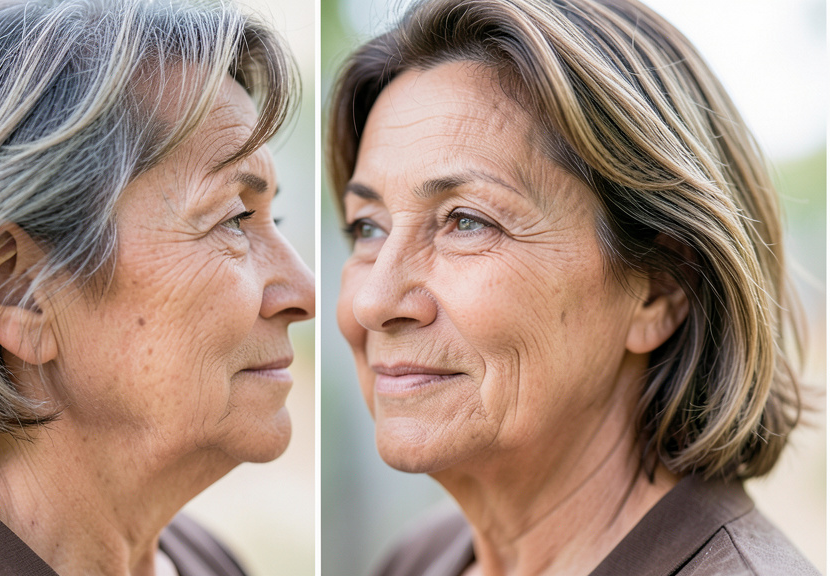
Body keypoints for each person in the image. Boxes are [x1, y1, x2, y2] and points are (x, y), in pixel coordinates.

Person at [0, 0, 314, 574]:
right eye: (232, 219)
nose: (304, 291)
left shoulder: (201, 558)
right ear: (18, 289)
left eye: (277, 220)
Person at [327, 0, 817, 574]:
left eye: (467, 221)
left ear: (661, 288)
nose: (373, 301)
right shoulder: (419, 559)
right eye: (368, 227)